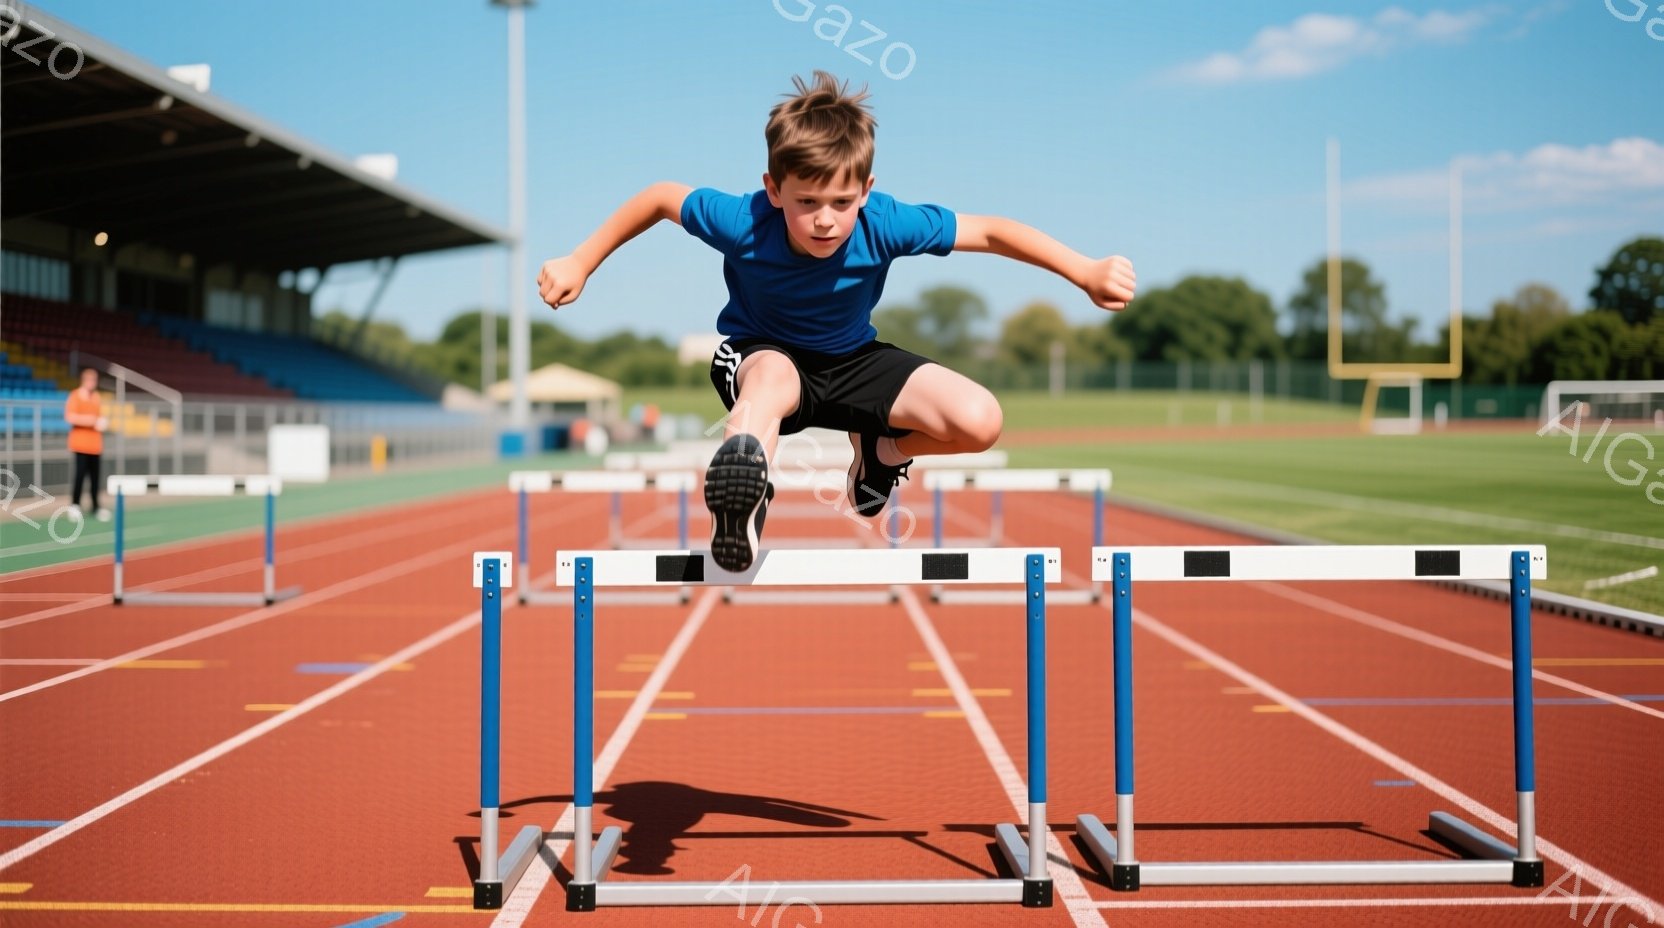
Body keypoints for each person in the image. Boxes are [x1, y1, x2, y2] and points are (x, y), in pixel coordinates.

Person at [536, 71, 1135, 571]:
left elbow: (992, 231)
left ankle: (884, 453)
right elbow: (663, 197)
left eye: (841, 204)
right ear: (773, 189)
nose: (825, 220)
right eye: (807, 203)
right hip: (761, 356)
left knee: (981, 421)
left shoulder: (886, 222)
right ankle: (743, 504)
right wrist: (581, 260)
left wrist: (1084, 270)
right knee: (770, 381)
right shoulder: (742, 220)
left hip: (853, 361)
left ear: (866, 191)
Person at [64, 367, 110, 522]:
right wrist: (92, 421)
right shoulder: (75, 395)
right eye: (91, 379)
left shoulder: (96, 397)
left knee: (95, 478)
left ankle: (96, 506)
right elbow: (70, 417)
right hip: (80, 444)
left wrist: (101, 423)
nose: (93, 383)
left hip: (95, 445)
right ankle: (74, 506)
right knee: (80, 476)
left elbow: (99, 417)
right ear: (85, 380)